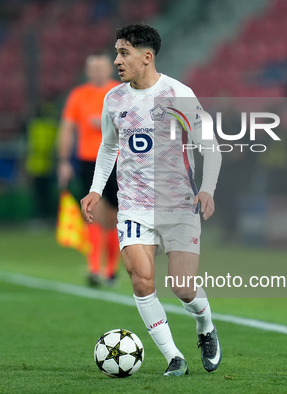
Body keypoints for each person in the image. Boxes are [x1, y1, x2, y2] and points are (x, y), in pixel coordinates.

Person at [80, 24, 222, 376]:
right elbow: (109, 146)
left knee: (182, 287)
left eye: (123, 53)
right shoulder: (114, 99)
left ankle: (205, 326)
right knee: (142, 280)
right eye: (116, 52)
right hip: (133, 205)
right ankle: (175, 357)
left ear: (147, 57)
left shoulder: (179, 94)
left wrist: (208, 189)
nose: (116, 60)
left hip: (178, 205)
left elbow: (211, 147)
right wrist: (96, 189)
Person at [58, 53, 121, 287]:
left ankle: (111, 271)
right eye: (92, 68)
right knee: (91, 212)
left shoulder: (120, 92)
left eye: (100, 67)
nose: (96, 72)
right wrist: (64, 161)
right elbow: (67, 128)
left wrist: (107, 122)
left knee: (114, 215)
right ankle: (94, 268)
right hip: (88, 160)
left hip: (116, 159)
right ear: (87, 71)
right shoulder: (78, 95)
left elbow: (138, 123)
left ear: (110, 69)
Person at [25, 100, 58, 225]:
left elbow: (30, 147)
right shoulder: (52, 126)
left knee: (39, 194)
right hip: (48, 165)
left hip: (37, 165)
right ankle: (47, 217)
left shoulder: (33, 126)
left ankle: (41, 218)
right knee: (46, 194)